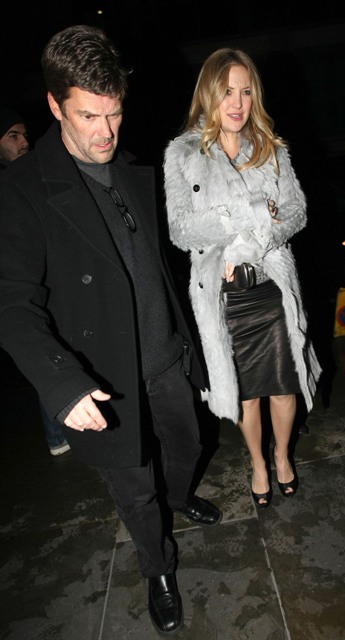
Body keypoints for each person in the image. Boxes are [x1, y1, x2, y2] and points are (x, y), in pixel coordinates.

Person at [0, 25, 222, 635]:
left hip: (165, 357)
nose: (105, 131)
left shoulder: (129, 169)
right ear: (55, 106)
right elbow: (12, 302)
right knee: (134, 489)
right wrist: (61, 384)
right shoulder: (23, 190)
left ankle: (180, 498)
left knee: (188, 447)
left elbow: (159, 263)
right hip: (103, 378)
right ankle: (159, 568)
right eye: (89, 116)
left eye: (115, 113)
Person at [164, 48, 321, 509]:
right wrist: (247, 213)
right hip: (226, 298)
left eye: (246, 91)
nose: (237, 103)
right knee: (246, 395)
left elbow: (296, 211)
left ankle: (282, 454)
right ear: (208, 95)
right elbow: (179, 229)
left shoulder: (271, 149)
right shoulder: (183, 154)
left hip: (271, 289)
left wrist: (255, 239)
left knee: (285, 386)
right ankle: (257, 463)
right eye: (227, 91)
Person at [0, 106, 70, 455]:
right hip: (15, 289)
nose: (23, 141)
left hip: (44, 283)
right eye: (13, 136)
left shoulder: (29, 174)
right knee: (42, 348)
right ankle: (57, 435)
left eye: (24, 134)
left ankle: (59, 434)